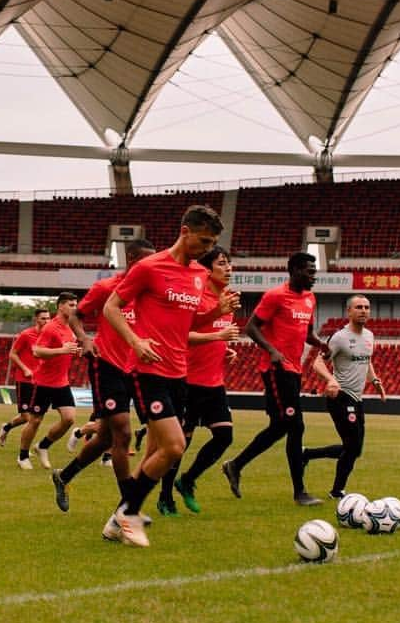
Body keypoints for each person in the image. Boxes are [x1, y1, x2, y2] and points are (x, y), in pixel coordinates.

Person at [99, 205, 224, 546]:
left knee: (156, 450)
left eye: (212, 243)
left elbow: (188, 325)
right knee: (175, 447)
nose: (207, 248)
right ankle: (129, 516)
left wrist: (217, 312)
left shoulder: (199, 275)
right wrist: (135, 341)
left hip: (178, 373)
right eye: (204, 240)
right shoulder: (149, 267)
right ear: (185, 231)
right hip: (147, 369)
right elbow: (111, 307)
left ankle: (118, 518)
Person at [49, 239, 156, 513]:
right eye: (147, 260)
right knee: (123, 432)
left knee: (107, 439)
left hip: (135, 367)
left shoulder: (149, 293)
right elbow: (76, 316)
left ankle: (64, 476)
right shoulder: (107, 288)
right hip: (106, 365)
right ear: (132, 259)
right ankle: (128, 504)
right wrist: (84, 338)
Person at [222, 251, 327, 506]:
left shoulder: (310, 299)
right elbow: (251, 327)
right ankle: (299, 491)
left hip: (294, 370)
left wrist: (320, 344)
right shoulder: (276, 296)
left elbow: (307, 333)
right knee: (295, 426)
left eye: (315, 272)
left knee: (280, 426)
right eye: (309, 272)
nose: (314, 277)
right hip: (275, 369)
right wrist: (272, 351)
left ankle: (235, 465)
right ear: (294, 271)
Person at [172, 246, 241, 515]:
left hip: (214, 382)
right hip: (188, 381)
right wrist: (218, 338)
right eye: (222, 264)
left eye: (230, 263)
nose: (229, 268)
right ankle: (166, 496)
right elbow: (182, 334)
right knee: (179, 444)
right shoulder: (195, 298)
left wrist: (226, 349)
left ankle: (187, 481)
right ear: (207, 270)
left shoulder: (228, 300)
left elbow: (215, 335)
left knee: (224, 436)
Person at [301, 296, 385, 498]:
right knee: (352, 446)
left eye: (366, 307)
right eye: (359, 307)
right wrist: (331, 380)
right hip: (340, 396)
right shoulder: (339, 337)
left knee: (355, 450)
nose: (363, 311)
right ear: (349, 311)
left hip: (357, 398)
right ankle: (337, 491)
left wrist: (375, 382)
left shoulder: (369, 336)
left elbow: (367, 361)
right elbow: (317, 363)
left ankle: (307, 454)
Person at [16, 293, 81, 470]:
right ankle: (22, 456)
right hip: (43, 382)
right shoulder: (51, 327)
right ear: (60, 306)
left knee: (69, 419)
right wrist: (62, 350)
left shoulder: (70, 328)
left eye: (76, 305)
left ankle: (43, 446)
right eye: (71, 304)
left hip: (62, 382)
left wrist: (75, 351)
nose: (75, 308)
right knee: (35, 420)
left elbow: (67, 350)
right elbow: (37, 351)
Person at [0, 307, 50, 447]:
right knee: (29, 417)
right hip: (24, 380)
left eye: (48, 318)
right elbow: (12, 354)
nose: (46, 321)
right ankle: (24, 450)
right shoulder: (26, 335)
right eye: (43, 318)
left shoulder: (49, 336)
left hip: (41, 381)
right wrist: (25, 368)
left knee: (30, 417)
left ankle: (7, 427)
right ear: (36, 319)